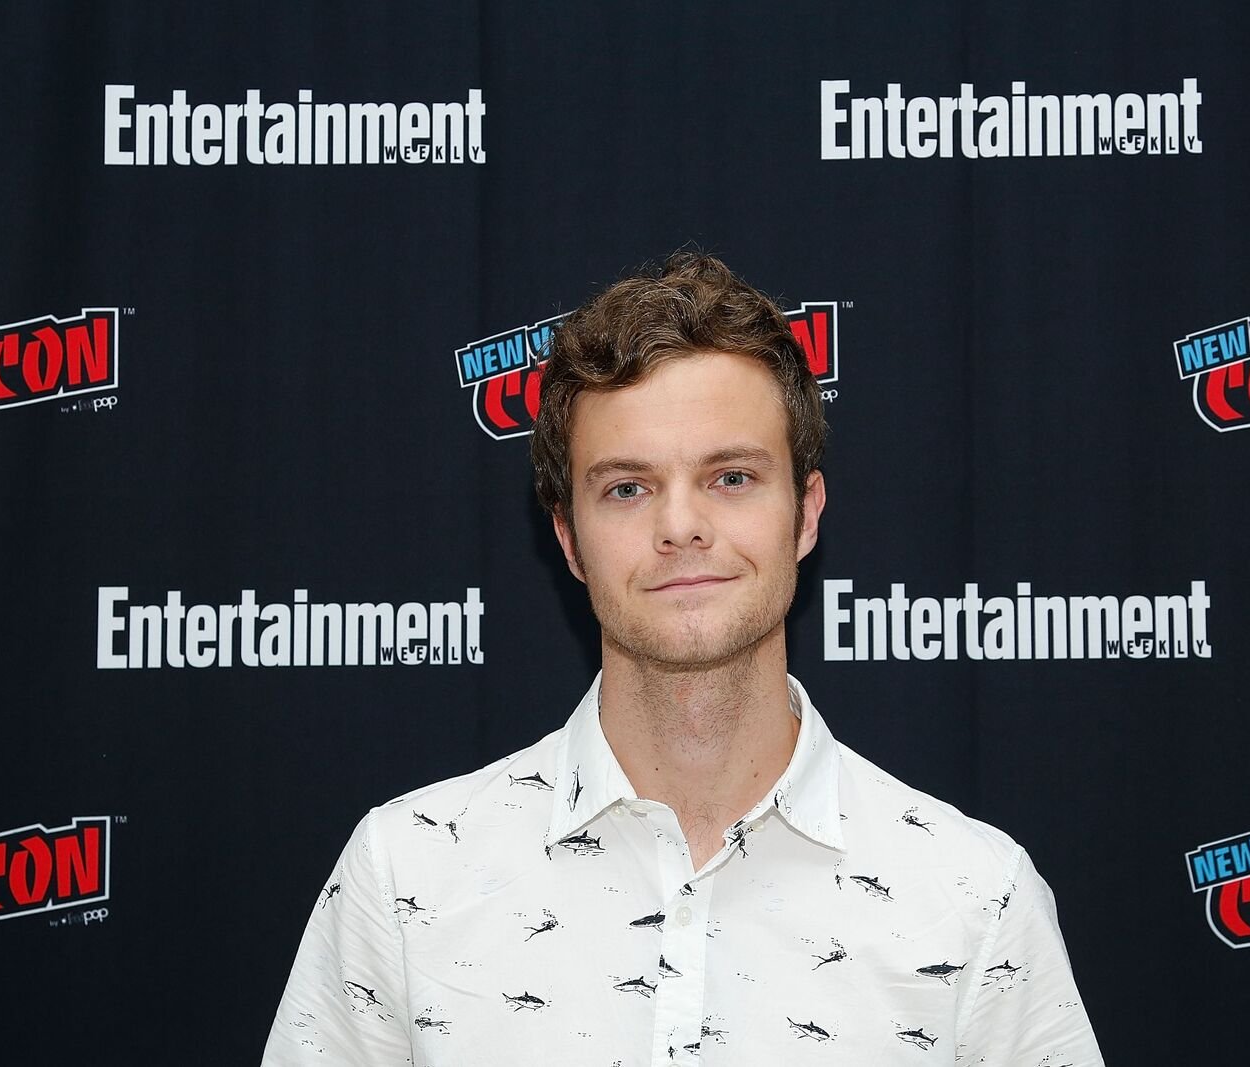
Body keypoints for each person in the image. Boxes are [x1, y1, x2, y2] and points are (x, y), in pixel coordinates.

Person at [264, 252, 1104, 1064]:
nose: (680, 526)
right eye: (626, 487)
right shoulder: (406, 878)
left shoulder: (974, 899)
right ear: (568, 538)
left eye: (731, 477)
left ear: (806, 513)